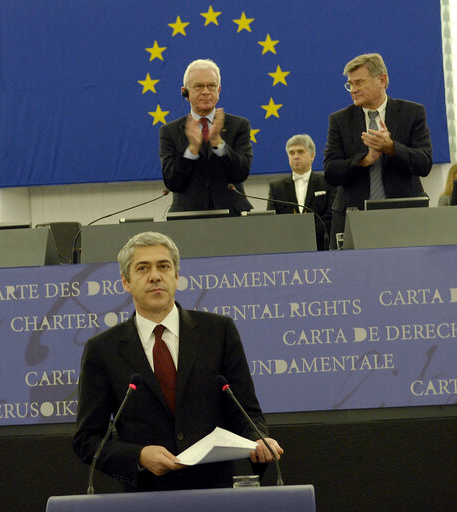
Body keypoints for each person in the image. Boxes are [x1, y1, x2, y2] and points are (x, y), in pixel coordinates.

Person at [73, 231, 283, 492]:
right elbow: (87, 439)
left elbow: (247, 413)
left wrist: (257, 440)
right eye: (142, 268)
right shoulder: (103, 350)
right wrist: (138, 456)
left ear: (176, 276)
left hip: (216, 493)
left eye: (164, 266)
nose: (155, 276)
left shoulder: (218, 332)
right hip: (147, 496)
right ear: (125, 281)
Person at [323, 52, 433, 248]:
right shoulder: (340, 120)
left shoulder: (411, 113)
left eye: (360, 83)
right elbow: (331, 172)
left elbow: (424, 163)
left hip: (404, 216)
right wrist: (365, 160)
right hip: (354, 217)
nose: (353, 90)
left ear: (382, 80)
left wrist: (391, 148)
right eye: (350, 84)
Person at [159, 59, 253, 215]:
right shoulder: (170, 131)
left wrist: (218, 143)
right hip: (188, 218)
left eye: (211, 86)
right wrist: (192, 150)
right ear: (185, 92)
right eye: (198, 86)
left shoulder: (238, 125)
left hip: (233, 216)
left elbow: (241, 173)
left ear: (219, 90)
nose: (206, 91)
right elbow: (172, 182)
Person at [267, 134, 335, 251]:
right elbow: (272, 219)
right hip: (286, 248)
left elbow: (331, 216)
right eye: (292, 153)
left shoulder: (328, 183)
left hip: (321, 247)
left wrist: (306, 233)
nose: (296, 156)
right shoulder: (277, 187)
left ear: (312, 155)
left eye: (300, 152)